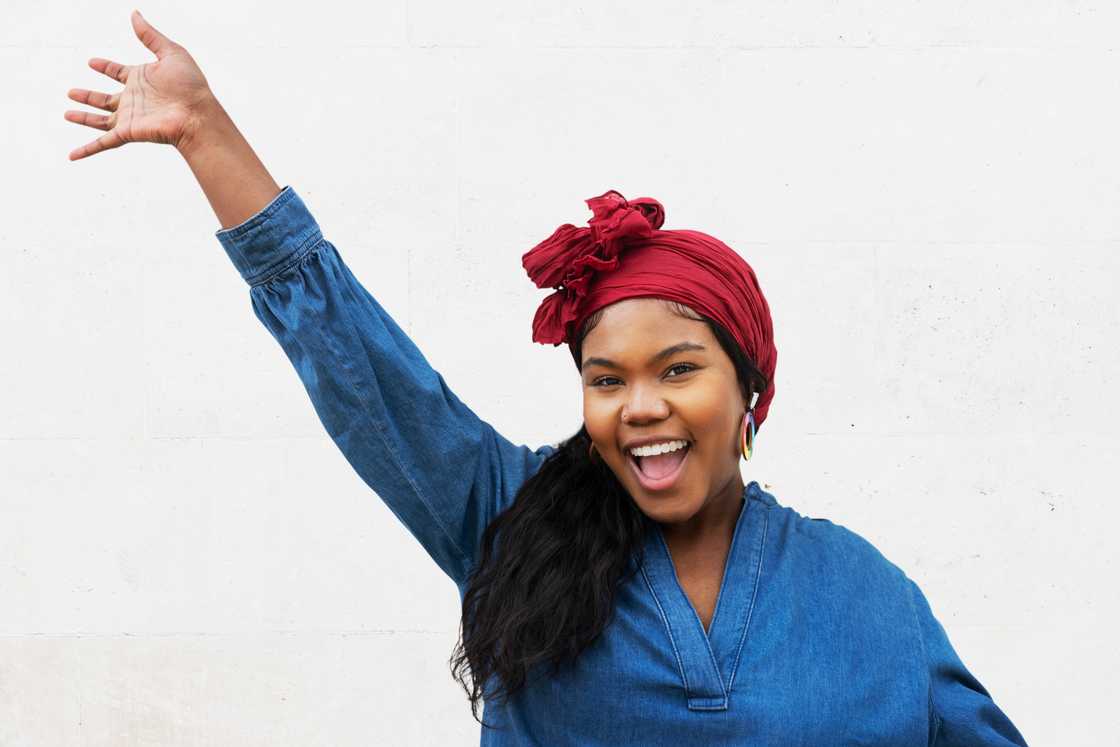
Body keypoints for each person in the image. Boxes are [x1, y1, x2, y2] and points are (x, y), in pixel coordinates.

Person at [65, 12, 1031, 746]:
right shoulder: (508, 519)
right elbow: (359, 365)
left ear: (750, 388)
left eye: (679, 369)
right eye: (606, 380)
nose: (640, 406)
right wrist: (206, 133)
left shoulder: (867, 596)